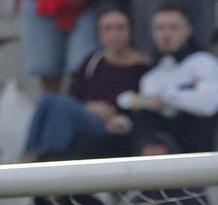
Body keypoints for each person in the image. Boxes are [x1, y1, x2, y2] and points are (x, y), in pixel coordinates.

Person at [22, 6, 150, 161]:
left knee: (59, 104)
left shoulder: (142, 68)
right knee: (48, 100)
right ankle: (30, 153)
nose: (114, 34)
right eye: (107, 29)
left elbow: (144, 107)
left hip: (114, 125)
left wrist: (119, 120)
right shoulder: (93, 62)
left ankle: (46, 157)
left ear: (129, 31)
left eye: (120, 28)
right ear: (99, 34)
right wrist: (89, 108)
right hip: (88, 117)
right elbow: (75, 94)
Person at [115, 4, 218, 154]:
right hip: (157, 139)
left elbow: (209, 104)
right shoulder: (151, 77)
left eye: (173, 28)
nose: (166, 35)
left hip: (195, 140)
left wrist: (165, 98)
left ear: (188, 30)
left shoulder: (205, 63)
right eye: (160, 28)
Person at [24, 0, 100, 95]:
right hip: (42, 6)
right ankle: (53, 103)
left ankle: (80, 101)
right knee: (47, 70)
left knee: (83, 67)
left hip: (88, 7)